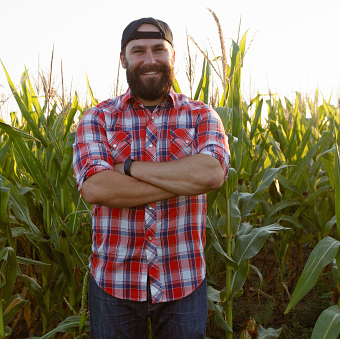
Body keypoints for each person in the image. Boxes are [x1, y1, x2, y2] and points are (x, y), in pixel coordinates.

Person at [72, 17, 230, 338]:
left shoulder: (201, 115)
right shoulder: (98, 118)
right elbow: (95, 186)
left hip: (182, 279)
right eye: (138, 51)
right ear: (123, 59)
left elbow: (212, 173)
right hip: (114, 282)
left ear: (172, 57)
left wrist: (129, 168)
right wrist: (183, 180)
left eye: (159, 50)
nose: (149, 60)